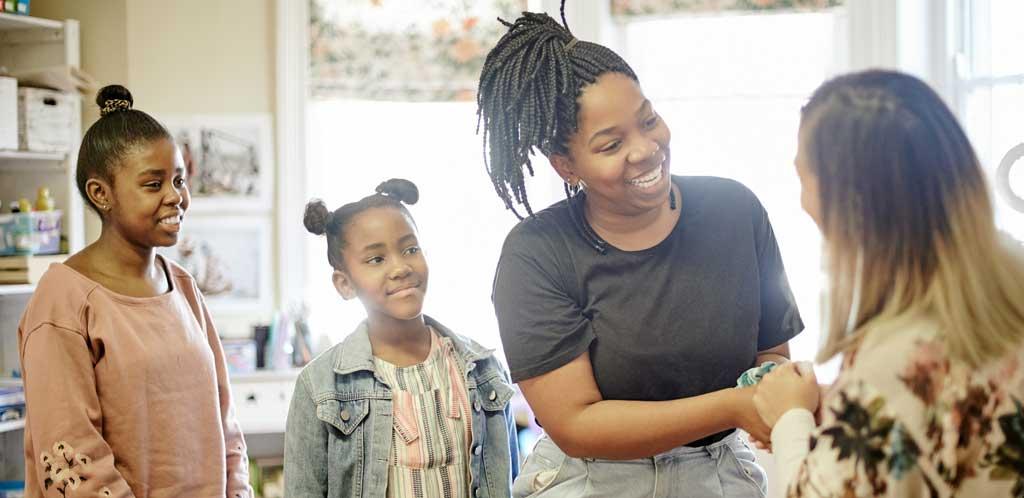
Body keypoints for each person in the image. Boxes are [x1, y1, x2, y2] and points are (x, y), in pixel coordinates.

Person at [477, 5, 802, 497]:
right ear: (566, 165)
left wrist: (777, 387)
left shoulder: (735, 211)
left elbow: (769, 353)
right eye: (611, 145)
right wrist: (735, 407)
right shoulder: (536, 255)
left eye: (648, 120)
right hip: (591, 479)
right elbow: (576, 424)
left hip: (721, 475)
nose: (646, 149)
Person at [753, 69, 1024, 497]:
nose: (801, 202)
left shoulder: (895, 363)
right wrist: (846, 409)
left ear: (852, 207)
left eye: (802, 177)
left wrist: (790, 419)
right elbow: (963, 405)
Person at [18, 85, 252, 497]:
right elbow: (72, 454)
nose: (176, 197)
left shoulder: (183, 288)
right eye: (153, 184)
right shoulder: (63, 301)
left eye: (179, 180)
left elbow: (225, 421)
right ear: (100, 194)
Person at [284, 179, 518, 498]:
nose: (401, 268)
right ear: (344, 284)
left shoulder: (484, 369)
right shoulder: (319, 386)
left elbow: (511, 480)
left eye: (410, 249)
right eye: (376, 259)